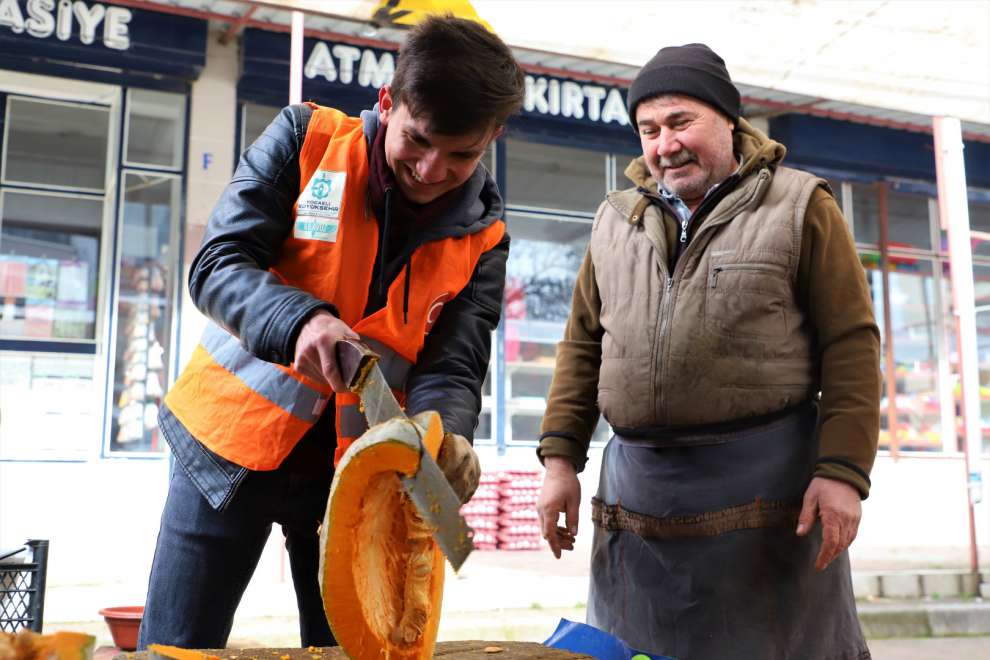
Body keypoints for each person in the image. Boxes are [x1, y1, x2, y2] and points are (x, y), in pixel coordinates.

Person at [138, 15, 524, 650]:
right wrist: (300, 319)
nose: (431, 170)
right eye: (418, 141)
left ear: (492, 138)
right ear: (386, 102)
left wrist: (446, 434)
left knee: (358, 648)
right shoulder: (304, 139)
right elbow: (217, 265)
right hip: (229, 447)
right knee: (179, 645)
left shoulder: (486, 237)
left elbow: (453, 366)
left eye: (462, 155)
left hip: (357, 476)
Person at [536, 43, 880, 659]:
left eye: (679, 122)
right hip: (635, 503)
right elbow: (583, 346)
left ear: (727, 118)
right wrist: (560, 461)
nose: (664, 144)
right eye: (648, 129)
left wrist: (842, 472)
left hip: (768, 498)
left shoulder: (801, 206)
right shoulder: (613, 221)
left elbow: (851, 344)